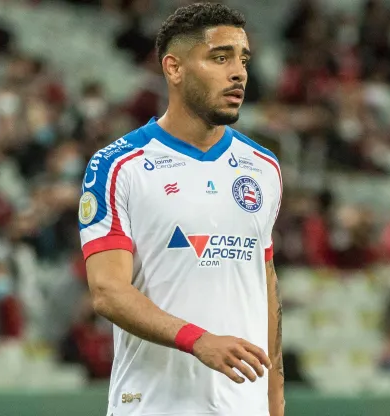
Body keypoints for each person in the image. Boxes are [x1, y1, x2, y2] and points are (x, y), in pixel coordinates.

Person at [78, 3, 284, 416]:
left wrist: (274, 403)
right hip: (155, 405)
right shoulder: (119, 165)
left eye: (243, 59)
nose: (239, 72)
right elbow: (108, 292)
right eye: (220, 57)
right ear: (173, 68)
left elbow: (265, 287)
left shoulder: (263, 168)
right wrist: (199, 340)